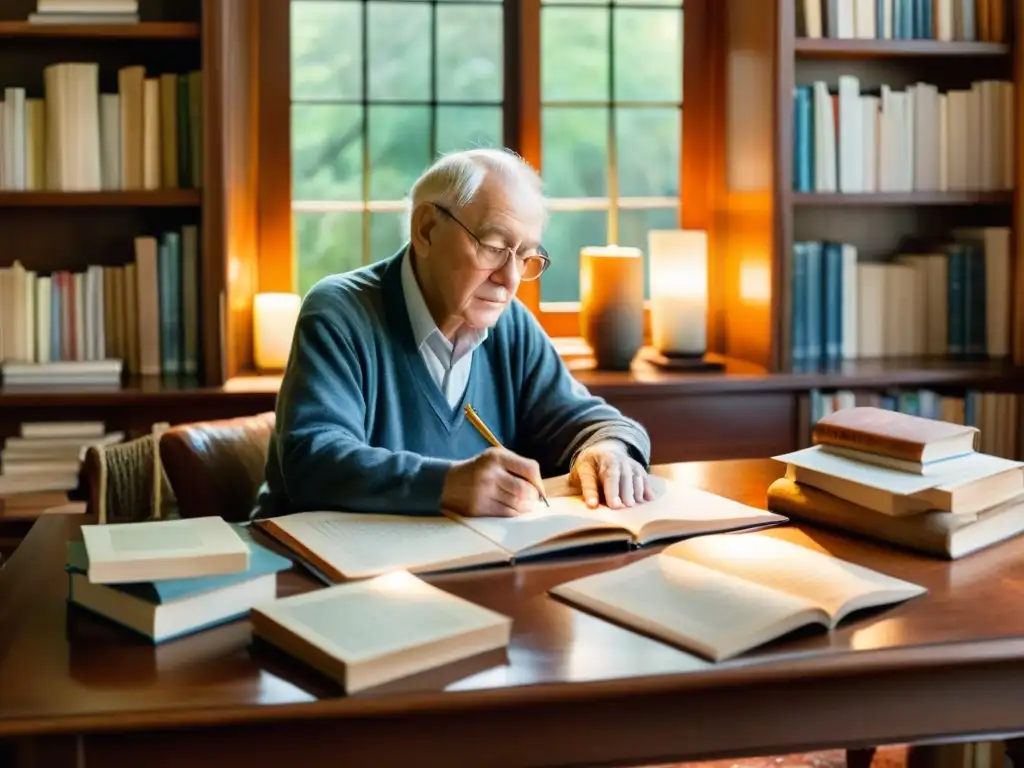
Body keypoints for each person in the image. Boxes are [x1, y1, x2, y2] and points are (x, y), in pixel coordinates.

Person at [252, 148, 654, 520]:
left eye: (526, 256)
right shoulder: (340, 312)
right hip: (309, 572)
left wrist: (608, 448)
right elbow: (313, 460)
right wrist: (446, 485)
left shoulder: (509, 325)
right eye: (494, 246)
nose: (510, 278)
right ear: (426, 229)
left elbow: (588, 421)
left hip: (455, 566)